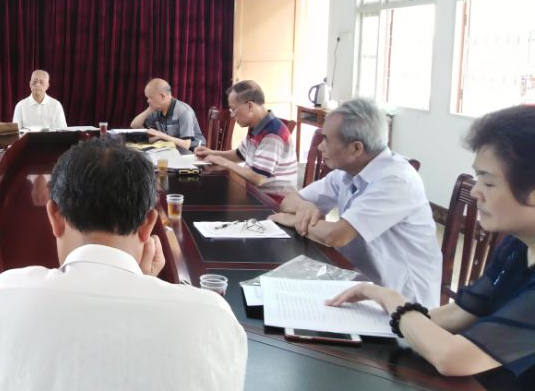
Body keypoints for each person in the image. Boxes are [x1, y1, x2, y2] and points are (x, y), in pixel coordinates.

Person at [0, 139, 246, 390]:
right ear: (148, 225)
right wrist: (142, 283)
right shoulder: (211, 318)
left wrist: (139, 284)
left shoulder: (5, 296)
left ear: (54, 216)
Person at [326, 105, 535, 389]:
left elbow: (453, 358)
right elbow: (460, 313)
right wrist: (377, 323)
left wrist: (390, 298)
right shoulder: (518, 245)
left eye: (488, 182)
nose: (475, 191)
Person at [269, 98, 441, 307]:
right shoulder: (347, 172)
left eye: (326, 140)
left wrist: (291, 219)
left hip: (402, 301)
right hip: (357, 281)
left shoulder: (396, 180)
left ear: (356, 148)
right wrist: (304, 207)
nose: (320, 146)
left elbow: (336, 236)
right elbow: (289, 200)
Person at [195, 80, 297, 190]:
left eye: (233, 109)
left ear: (249, 106)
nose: (232, 115)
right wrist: (211, 152)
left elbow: (258, 178)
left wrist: (223, 162)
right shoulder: (257, 126)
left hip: (270, 198)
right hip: (255, 192)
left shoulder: (272, 134)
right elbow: (239, 155)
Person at [130, 78, 205, 150]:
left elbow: (186, 145)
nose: (148, 101)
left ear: (162, 96)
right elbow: (135, 126)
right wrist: (150, 109)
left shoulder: (184, 111)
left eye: (150, 97)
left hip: (193, 151)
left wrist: (160, 135)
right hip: (171, 147)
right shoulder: (156, 110)